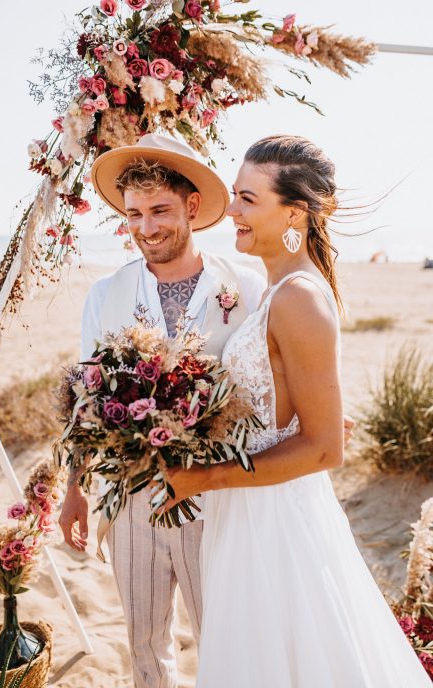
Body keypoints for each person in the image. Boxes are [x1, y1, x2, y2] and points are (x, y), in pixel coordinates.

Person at [163, 135, 430, 687]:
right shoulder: (271, 287)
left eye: (247, 199)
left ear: (296, 211)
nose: (231, 210)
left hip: (277, 521)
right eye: (236, 196)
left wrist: (206, 477)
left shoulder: (298, 297)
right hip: (248, 508)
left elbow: (326, 447)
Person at [58, 134, 267, 688]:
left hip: (216, 498)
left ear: (191, 208)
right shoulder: (106, 293)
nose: (146, 228)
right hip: (130, 500)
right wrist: (74, 489)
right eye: (134, 215)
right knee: (145, 643)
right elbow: (86, 393)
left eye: (160, 211)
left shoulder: (245, 285)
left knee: (220, 633)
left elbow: (269, 385)